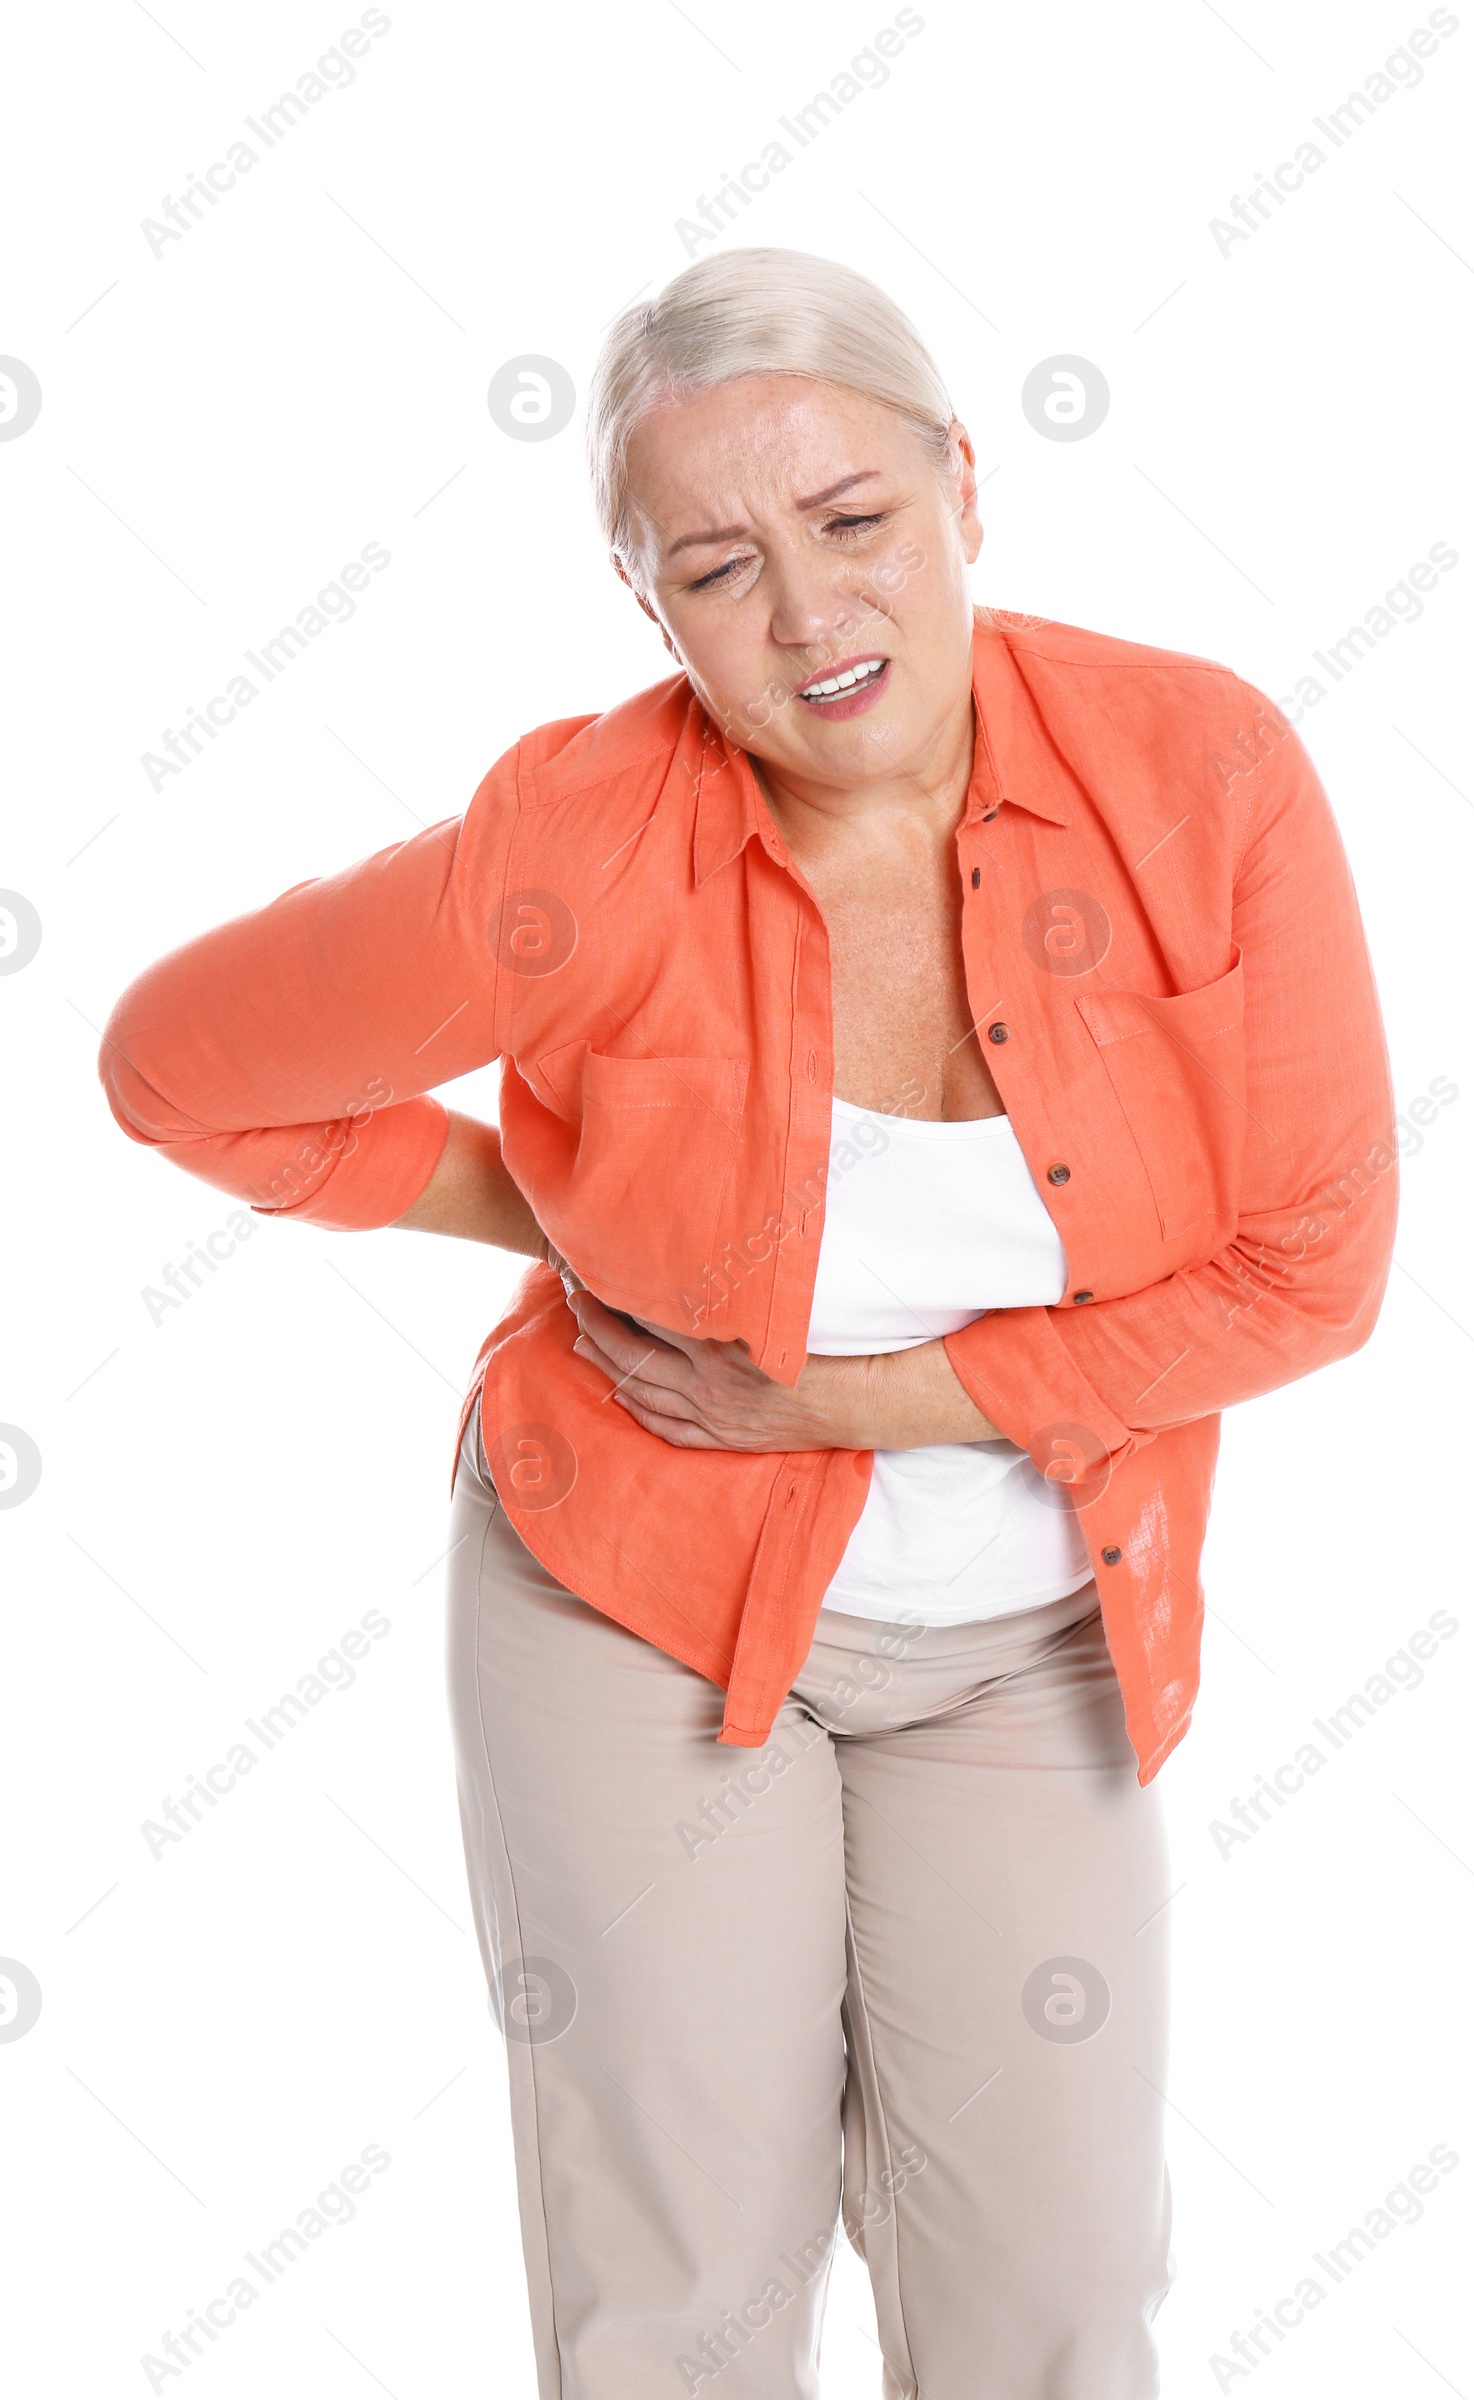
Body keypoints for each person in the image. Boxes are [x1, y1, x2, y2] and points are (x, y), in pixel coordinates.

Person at [99, 246, 1398, 2400]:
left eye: (853, 521)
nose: (805, 617)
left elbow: (1309, 1271)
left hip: (1030, 1638)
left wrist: (854, 1392)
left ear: (965, 486)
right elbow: (180, 1065)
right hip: (639, 1607)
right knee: (682, 2295)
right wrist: (565, 1213)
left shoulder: (1202, 774)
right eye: (714, 566)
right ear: (648, 608)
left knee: (1050, 2303)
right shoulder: (577, 838)